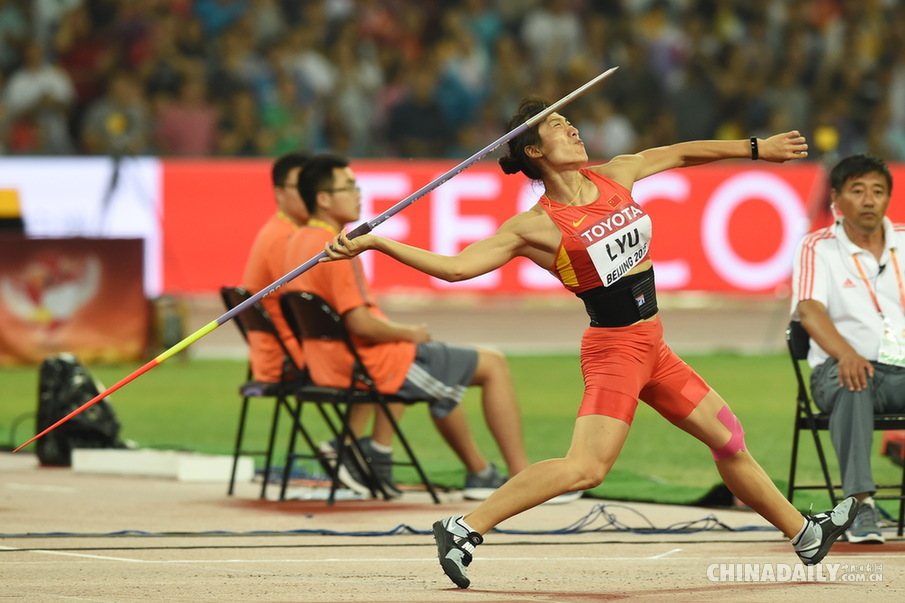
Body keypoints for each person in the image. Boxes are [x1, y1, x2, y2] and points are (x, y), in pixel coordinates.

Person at [321, 96, 859, 588]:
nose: (573, 129)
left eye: (569, 121)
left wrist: (756, 149)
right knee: (587, 468)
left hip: (655, 346)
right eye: (558, 126)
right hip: (615, 351)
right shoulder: (533, 227)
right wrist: (378, 243)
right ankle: (464, 527)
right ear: (534, 151)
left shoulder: (616, 174)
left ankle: (804, 533)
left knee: (727, 437)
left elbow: (678, 154)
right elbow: (457, 268)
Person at [284, 153, 530, 500]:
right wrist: (408, 333)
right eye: (349, 187)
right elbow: (360, 324)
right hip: (364, 364)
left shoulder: (297, 241)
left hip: (326, 361)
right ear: (323, 199)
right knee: (492, 364)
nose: (358, 194)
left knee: (444, 373)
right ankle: (523, 478)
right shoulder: (338, 249)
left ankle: (467, 470)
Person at [791, 153, 905, 545]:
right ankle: (859, 504)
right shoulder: (817, 247)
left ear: (888, 197)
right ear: (836, 199)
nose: (869, 200)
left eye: (878, 191)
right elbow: (809, 310)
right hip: (840, 372)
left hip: (900, 370)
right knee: (854, 379)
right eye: (858, 191)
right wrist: (846, 353)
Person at [240, 150, 310, 383]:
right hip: (287, 358)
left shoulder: (283, 231)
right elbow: (310, 308)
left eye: (313, 185)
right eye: (300, 186)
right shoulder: (284, 238)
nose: (309, 193)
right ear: (279, 193)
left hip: (277, 354)